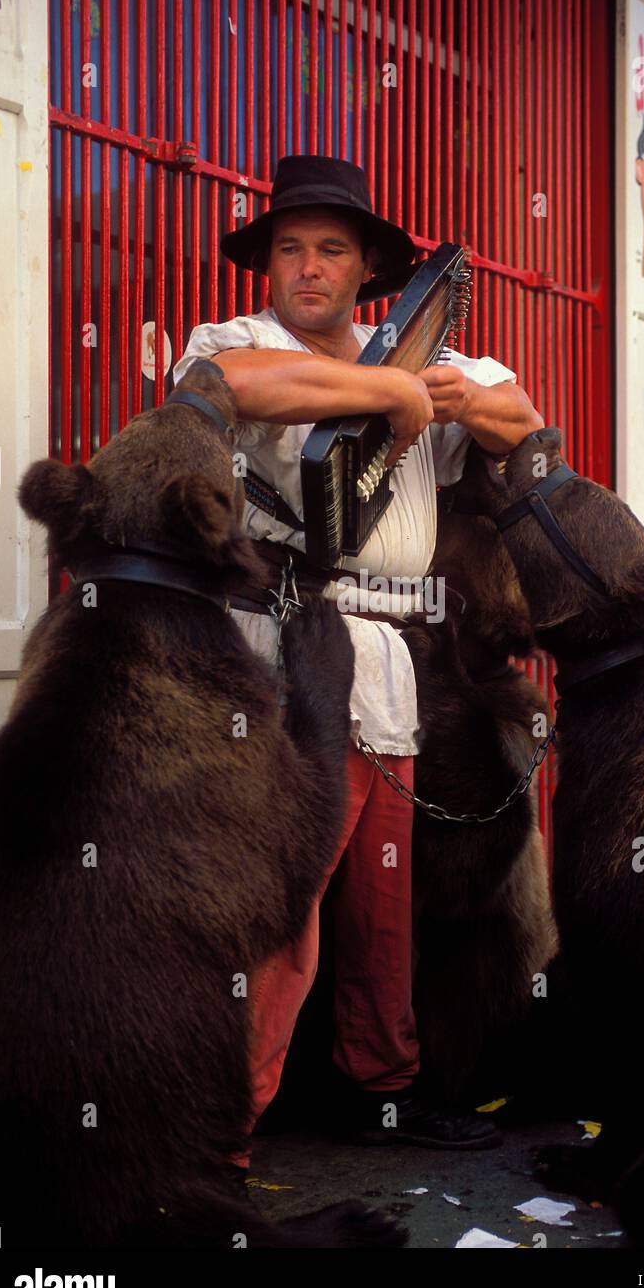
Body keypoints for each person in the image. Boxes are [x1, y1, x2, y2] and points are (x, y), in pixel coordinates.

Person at [172, 154, 542, 1151]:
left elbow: (530, 429)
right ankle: (221, 1122)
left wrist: (445, 397)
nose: (306, 267)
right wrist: (382, 387)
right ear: (267, 266)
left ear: (366, 265)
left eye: (330, 249)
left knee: (383, 897)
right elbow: (228, 387)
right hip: (284, 643)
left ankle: (382, 1085)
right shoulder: (235, 339)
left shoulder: (421, 362)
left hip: (390, 655)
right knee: (281, 898)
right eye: (288, 248)